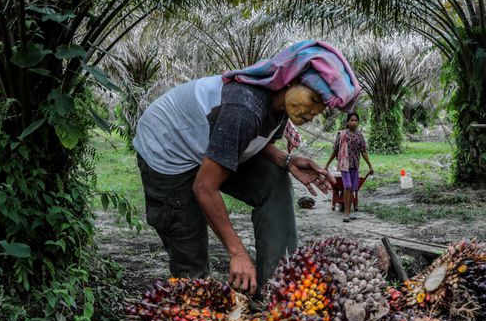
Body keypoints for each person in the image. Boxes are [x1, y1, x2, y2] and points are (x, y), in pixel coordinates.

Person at [133, 40, 359, 292]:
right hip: (167, 150)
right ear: (290, 80)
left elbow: (246, 139)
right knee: (191, 263)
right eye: (314, 98)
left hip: (212, 142)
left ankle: (278, 286)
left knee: (275, 179)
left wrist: (286, 160)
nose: (314, 111)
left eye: (322, 106)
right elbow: (204, 187)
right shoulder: (245, 107)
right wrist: (237, 252)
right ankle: (193, 297)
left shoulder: (279, 104)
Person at [324, 111, 375, 222]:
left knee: (352, 189)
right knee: (347, 186)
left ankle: (349, 212)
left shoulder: (359, 136)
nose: (354, 122)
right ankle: (346, 214)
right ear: (347, 122)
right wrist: (327, 163)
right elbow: (336, 150)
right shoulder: (342, 134)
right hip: (344, 165)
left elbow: (363, 151)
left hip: (355, 165)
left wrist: (370, 165)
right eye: (351, 120)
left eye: (356, 120)